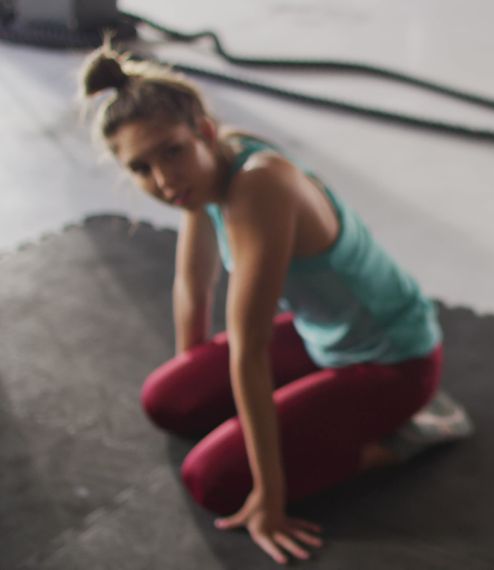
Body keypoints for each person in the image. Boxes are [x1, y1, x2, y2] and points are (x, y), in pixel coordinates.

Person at [79, 44, 472, 565]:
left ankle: (413, 431)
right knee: (167, 399)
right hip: (321, 333)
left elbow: (250, 351)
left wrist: (269, 497)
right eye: (141, 167)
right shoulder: (202, 178)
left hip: (395, 360)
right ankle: (303, 418)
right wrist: (197, 389)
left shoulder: (261, 185)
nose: (164, 179)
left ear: (205, 132)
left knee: (212, 480)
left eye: (171, 152)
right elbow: (192, 284)